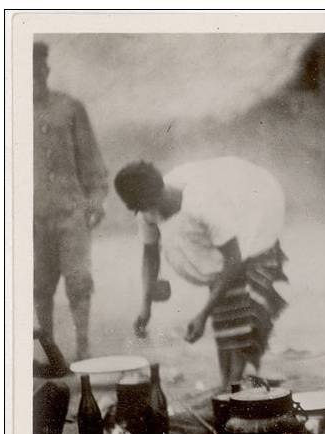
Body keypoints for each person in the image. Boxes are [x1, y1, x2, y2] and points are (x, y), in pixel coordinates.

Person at [113, 157, 288, 390]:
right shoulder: (146, 210)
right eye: (140, 209)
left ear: (157, 194)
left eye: (145, 205)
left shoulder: (203, 204)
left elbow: (234, 259)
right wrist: (146, 305)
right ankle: (230, 385)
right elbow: (150, 254)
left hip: (254, 224)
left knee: (246, 310)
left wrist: (203, 313)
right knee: (226, 309)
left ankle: (233, 387)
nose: (145, 213)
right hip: (224, 250)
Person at [33, 41, 108, 360]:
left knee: (78, 280)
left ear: (46, 70)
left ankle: (83, 347)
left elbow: (91, 160)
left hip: (70, 212)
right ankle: (50, 350)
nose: (32, 78)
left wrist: (96, 197)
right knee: (38, 284)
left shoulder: (70, 108)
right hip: (29, 216)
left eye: (37, 70)